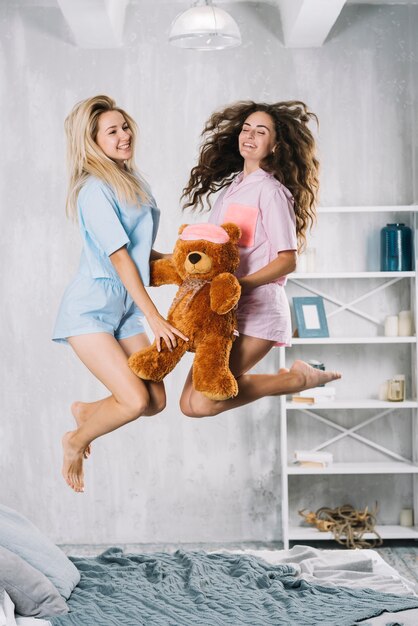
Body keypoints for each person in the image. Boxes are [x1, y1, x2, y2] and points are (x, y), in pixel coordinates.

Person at [52, 95, 187, 493]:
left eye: (124, 126)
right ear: (93, 141)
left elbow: (143, 253)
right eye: (112, 131)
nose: (124, 135)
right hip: (91, 311)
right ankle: (74, 440)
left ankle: (86, 412)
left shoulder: (133, 181)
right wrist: (155, 317)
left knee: (155, 400)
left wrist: (188, 266)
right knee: (132, 400)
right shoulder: (94, 190)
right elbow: (122, 259)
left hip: (125, 308)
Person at [179, 100, 341, 418]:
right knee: (189, 404)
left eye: (261, 131)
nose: (249, 135)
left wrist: (240, 284)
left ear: (275, 145)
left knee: (202, 402)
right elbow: (213, 252)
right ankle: (294, 377)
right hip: (228, 312)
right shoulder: (230, 191)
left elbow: (287, 260)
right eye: (246, 128)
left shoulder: (271, 192)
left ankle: (297, 378)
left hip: (260, 312)